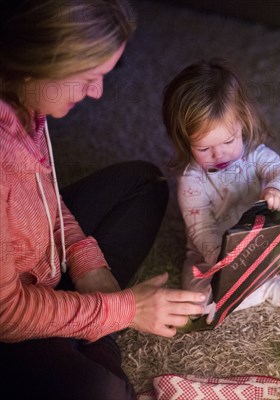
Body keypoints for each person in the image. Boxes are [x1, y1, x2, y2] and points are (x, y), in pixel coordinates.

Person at [0, 1, 205, 399]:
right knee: (100, 389)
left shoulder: (23, 101)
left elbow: (43, 198)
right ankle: (96, 347)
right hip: (9, 317)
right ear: (40, 60)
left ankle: (84, 329)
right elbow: (7, 315)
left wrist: (87, 261)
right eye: (89, 77)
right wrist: (127, 310)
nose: (97, 93)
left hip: (42, 262)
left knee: (144, 183)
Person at [162, 58, 280, 317]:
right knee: (199, 306)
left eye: (228, 140)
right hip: (217, 254)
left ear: (243, 123)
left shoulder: (254, 154)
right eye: (204, 148)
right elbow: (201, 228)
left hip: (265, 235)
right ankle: (267, 287)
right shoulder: (191, 179)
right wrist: (225, 258)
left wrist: (278, 189)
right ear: (183, 142)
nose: (219, 153)